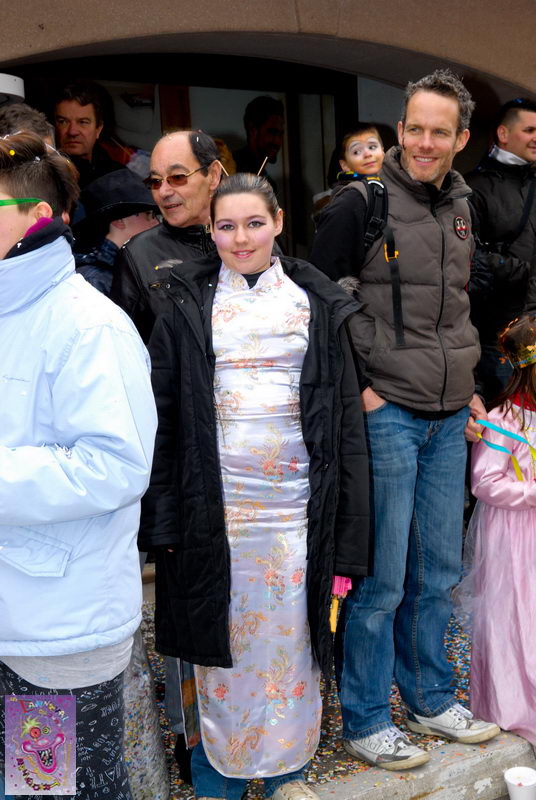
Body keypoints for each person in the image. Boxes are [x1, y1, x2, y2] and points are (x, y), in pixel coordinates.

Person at [141, 172, 371, 800]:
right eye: (226, 226)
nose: (240, 238)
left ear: (277, 223)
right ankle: (217, 778)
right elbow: (162, 419)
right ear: (209, 230)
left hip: (297, 512)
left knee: (293, 645)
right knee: (220, 649)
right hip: (215, 511)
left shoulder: (316, 303)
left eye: (253, 223)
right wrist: (163, 523)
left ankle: (286, 775)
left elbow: (346, 426)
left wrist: (349, 543)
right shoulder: (182, 303)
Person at [311, 68, 500, 770]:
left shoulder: (463, 205)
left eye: (438, 132)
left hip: (449, 415)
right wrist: (362, 390)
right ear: (399, 130)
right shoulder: (359, 203)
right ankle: (365, 719)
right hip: (387, 411)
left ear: (461, 139)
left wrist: (470, 385)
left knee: (438, 570)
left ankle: (429, 698)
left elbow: (456, 308)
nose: (424, 142)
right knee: (381, 579)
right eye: (414, 128)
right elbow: (318, 306)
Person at [0, 131, 157, 799]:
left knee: (52, 788)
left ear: (36, 215)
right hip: (15, 612)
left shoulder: (88, 325)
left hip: (56, 626)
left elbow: (114, 465)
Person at [456, 314, 536, 746]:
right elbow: (484, 482)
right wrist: (531, 492)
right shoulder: (504, 420)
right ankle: (511, 704)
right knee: (513, 612)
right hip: (513, 535)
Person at [110, 129, 222, 343]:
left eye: (177, 177)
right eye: (155, 181)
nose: (163, 192)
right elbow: (122, 345)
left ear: (213, 175)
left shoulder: (251, 241)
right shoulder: (138, 255)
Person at [466, 98, 536, 402]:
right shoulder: (473, 187)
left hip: (531, 328)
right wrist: (520, 272)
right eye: (529, 130)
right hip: (499, 337)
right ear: (503, 134)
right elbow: (467, 257)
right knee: (505, 423)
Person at [73, 169, 158, 295]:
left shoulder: (128, 267)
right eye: (148, 214)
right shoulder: (96, 280)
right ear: (119, 221)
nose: (156, 222)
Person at [53, 81, 123, 188]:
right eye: (63, 122)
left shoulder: (118, 177)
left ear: (98, 129)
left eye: (83, 122)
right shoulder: (41, 175)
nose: (72, 132)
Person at [312, 125, 385, 218]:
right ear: (345, 165)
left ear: (383, 152)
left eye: (372, 147)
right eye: (356, 152)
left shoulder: (390, 183)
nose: (367, 154)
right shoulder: (349, 199)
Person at [233, 96, 285, 190]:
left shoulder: (269, 184)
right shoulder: (230, 169)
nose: (277, 141)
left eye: (280, 134)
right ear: (253, 130)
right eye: (272, 132)